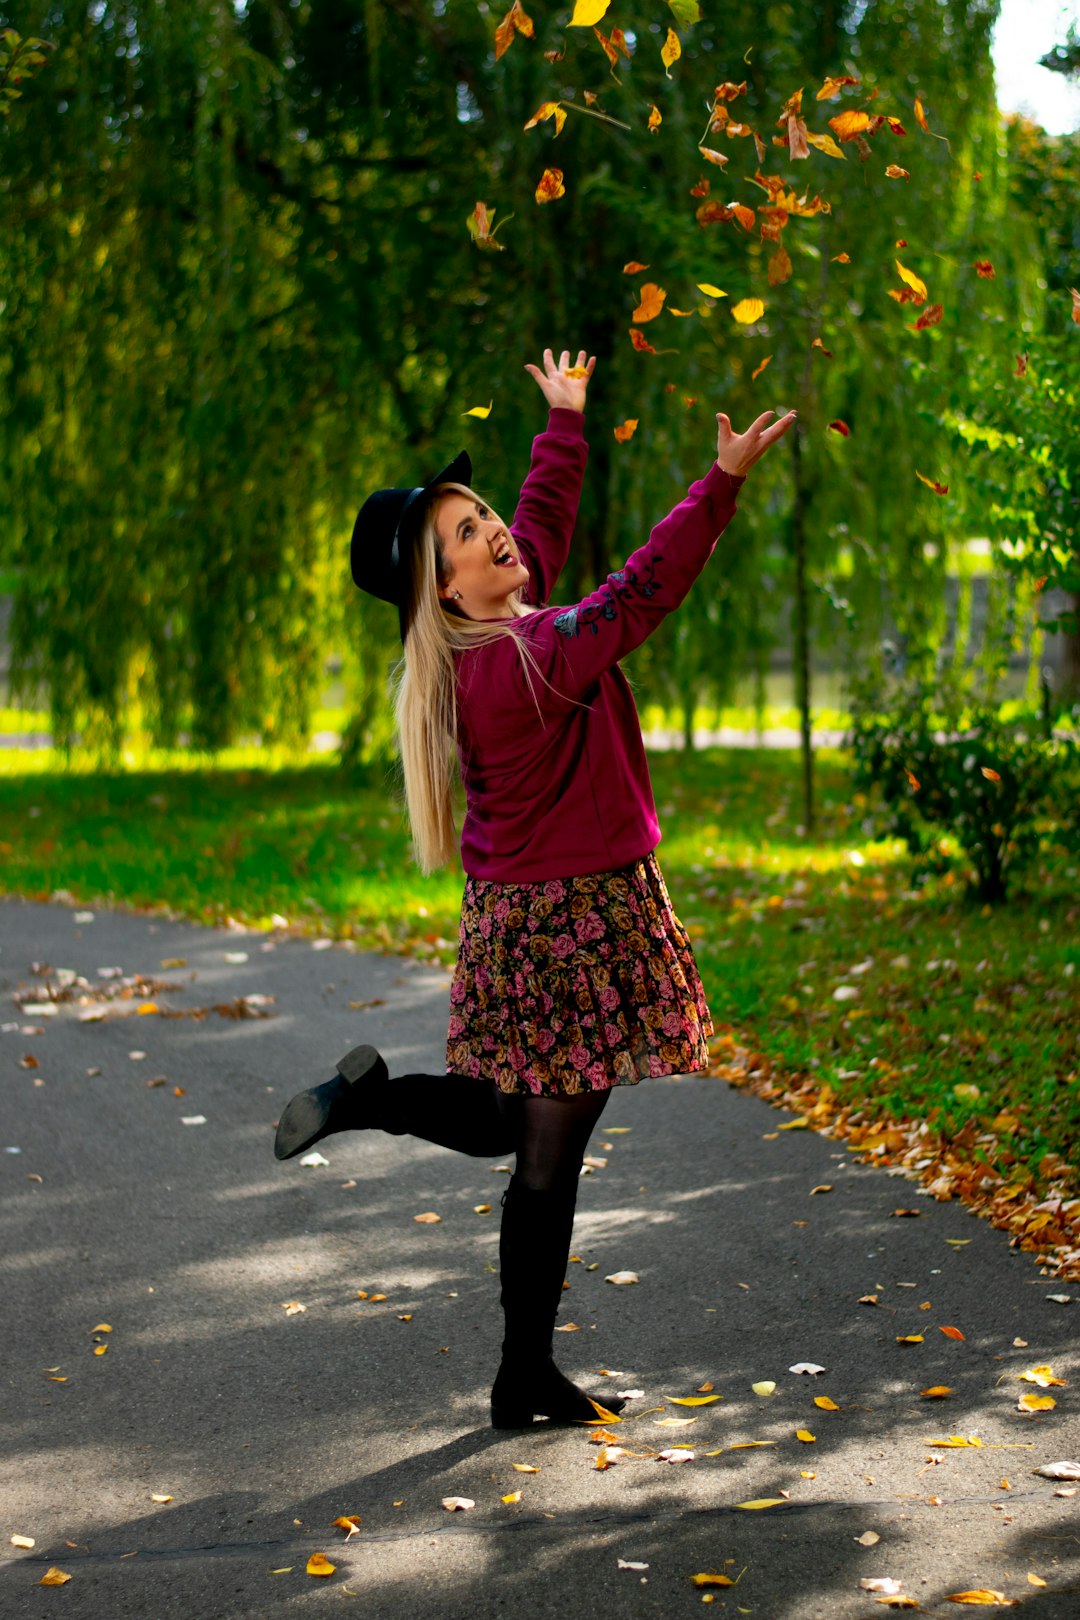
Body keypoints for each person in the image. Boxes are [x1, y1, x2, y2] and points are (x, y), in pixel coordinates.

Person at [274, 349, 796, 1428]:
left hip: (535, 919)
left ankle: (378, 1105)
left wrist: (563, 425)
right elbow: (641, 591)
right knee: (543, 1152)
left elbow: (542, 528)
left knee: (526, 1124)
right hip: (572, 922)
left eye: (480, 518)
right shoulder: (530, 658)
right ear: (446, 586)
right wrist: (723, 481)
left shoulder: (499, 639)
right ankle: (522, 1375)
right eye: (464, 534)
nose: (492, 534)